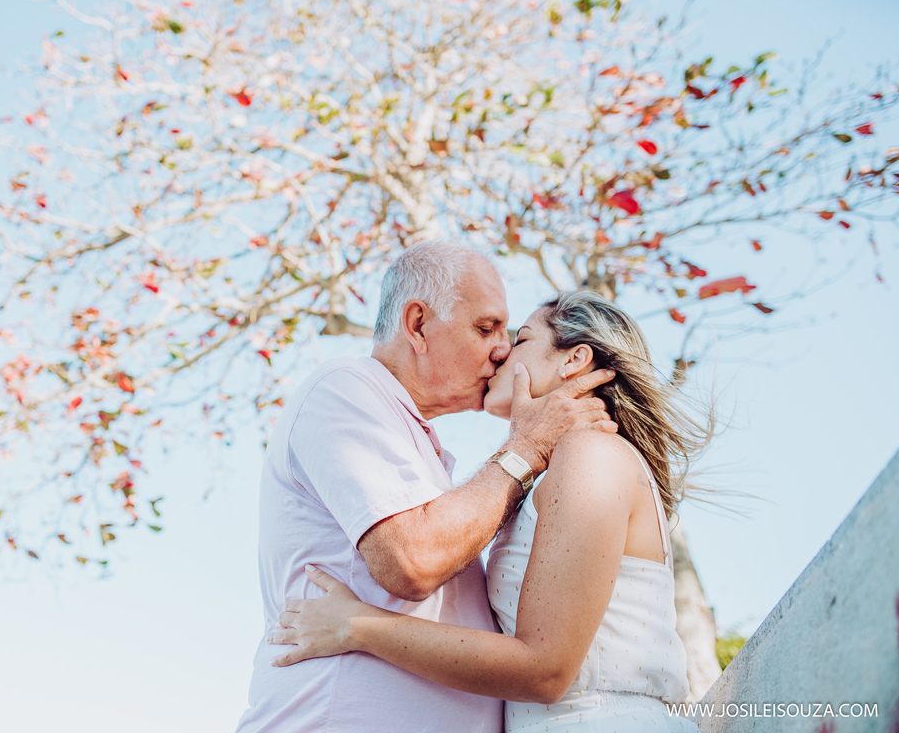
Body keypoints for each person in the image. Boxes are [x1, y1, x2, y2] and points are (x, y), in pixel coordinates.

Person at [268, 291, 710, 732]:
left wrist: (357, 626)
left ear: (573, 360)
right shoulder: (555, 471)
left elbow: (545, 669)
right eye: (488, 331)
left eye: (520, 338)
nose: (500, 352)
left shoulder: (591, 454)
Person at [235, 243, 618, 733]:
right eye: (486, 328)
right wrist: (527, 448)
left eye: (508, 334)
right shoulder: (345, 389)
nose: (501, 350)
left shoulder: (418, 438)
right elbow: (411, 563)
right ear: (417, 325)